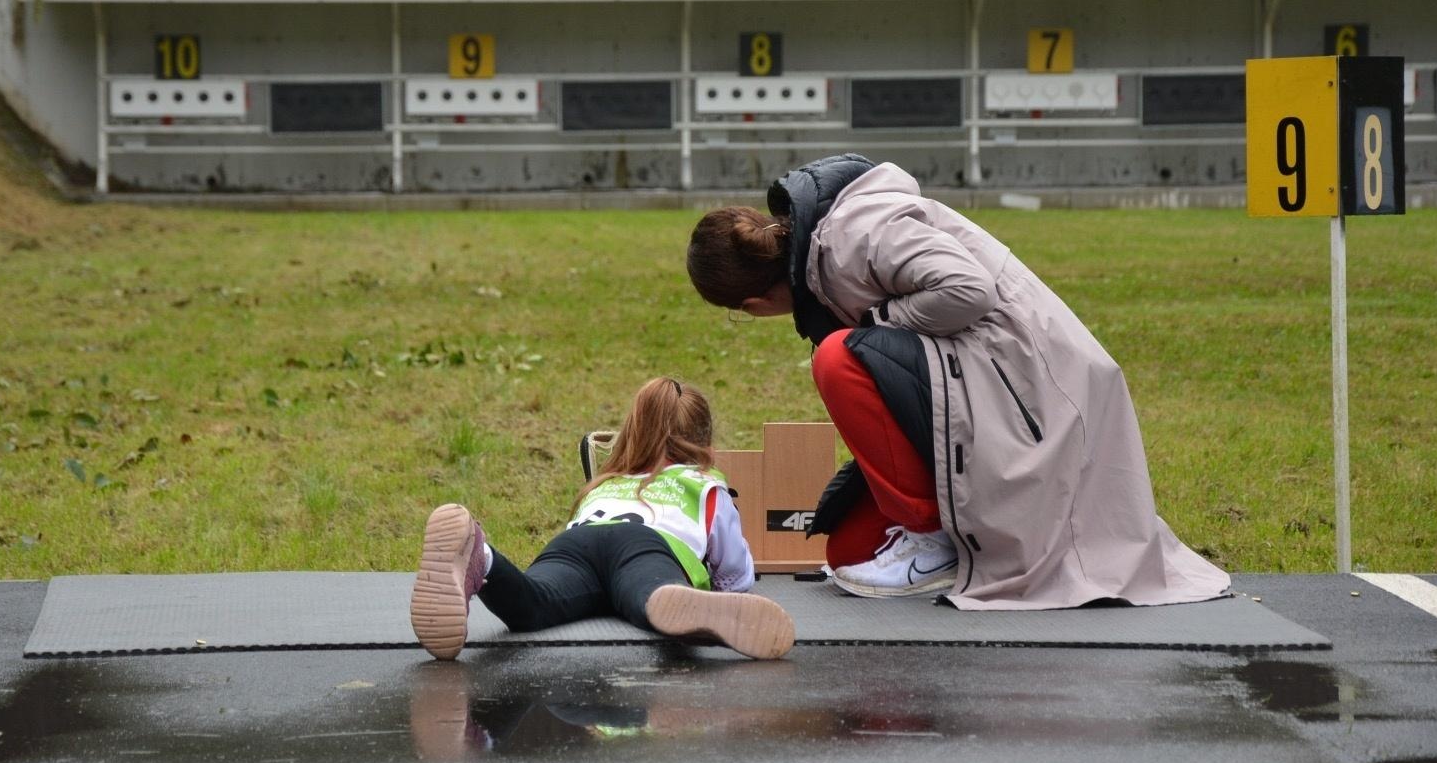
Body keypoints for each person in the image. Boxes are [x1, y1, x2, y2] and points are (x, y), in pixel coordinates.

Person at [687, 153, 1230, 610]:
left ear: (753, 304)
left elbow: (968, 290)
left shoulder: (855, 234)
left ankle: (931, 538)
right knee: (847, 554)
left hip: (1035, 389)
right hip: (997, 377)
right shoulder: (827, 251)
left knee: (838, 358)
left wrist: (876, 324)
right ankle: (929, 537)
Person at [410, 377, 795, 660]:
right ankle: (677, 602)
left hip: (576, 544)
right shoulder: (705, 484)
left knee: (536, 604)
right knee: (649, 596)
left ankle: (483, 555)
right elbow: (735, 573)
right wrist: (725, 592)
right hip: (647, 546)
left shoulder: (605, 482)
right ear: (705, 445)